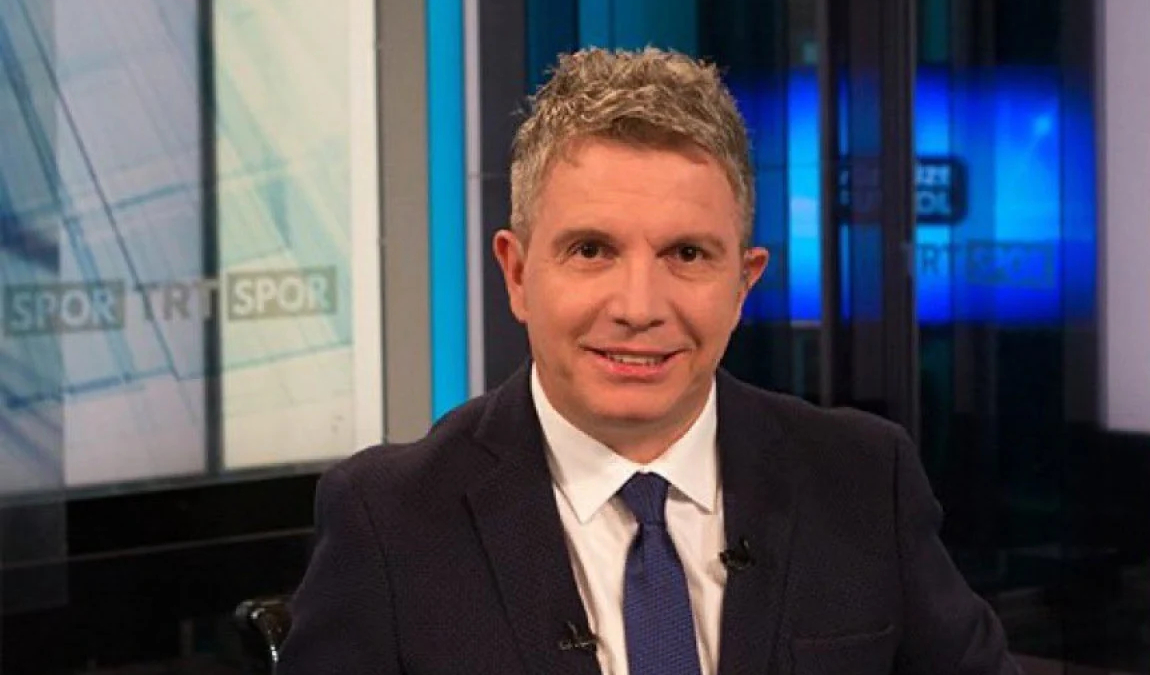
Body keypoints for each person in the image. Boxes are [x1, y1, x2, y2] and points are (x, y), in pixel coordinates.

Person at [278, 47, 1021, 675]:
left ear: (743, 283)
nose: (639, 306)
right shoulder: (389, 521)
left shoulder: (862, 479)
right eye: (591, 250)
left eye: (687, 254)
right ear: (517, 273)